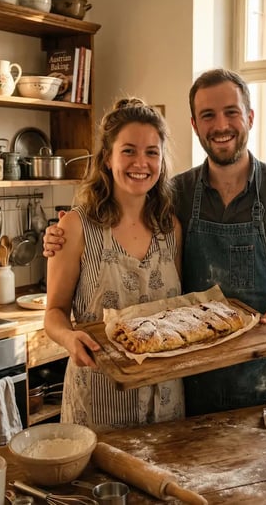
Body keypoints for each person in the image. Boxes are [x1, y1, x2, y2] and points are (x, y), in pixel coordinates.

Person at [44, 68, 266, 417]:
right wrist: (60, 232)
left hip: (265, 378)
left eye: (231, 112)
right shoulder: (174, 197)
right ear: (195, 124)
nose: (221, 125)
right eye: (208, 115)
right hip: (188, 384)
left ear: (250, 118)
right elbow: (110, 223)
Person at [44, 97, 185, 432]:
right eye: (129, 150)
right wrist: (68, 339)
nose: (141, 162)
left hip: (165, 400)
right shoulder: (75, 227)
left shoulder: (171, 228)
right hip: (99, 399)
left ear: (162, 161)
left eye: (152, 152)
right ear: (107, 158)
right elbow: (54, 312)